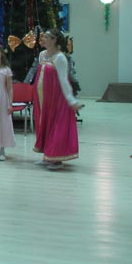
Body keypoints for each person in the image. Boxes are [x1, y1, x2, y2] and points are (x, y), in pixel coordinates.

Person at [32, 28, 84, 170]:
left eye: (46, 37)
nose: (43, 39)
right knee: (44, 125)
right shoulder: (42, 55)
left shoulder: (60, 58)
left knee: (56, 126)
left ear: (54, 40)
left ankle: (56, 159)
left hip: (56, 99)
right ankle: (48, 155)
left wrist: (71, 101)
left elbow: (64, 80)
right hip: (42, 98)